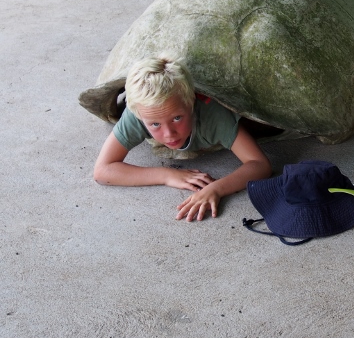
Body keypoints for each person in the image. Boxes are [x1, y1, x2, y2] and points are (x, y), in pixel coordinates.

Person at [93, 57, 273, 222]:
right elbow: (102, 171)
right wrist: (166, 175)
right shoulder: (138, 113)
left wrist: (217, 188)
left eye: (177, 118)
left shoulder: (213, 117)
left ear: (191, 102)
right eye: (155, 124)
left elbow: (259, 163)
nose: (169, 134)